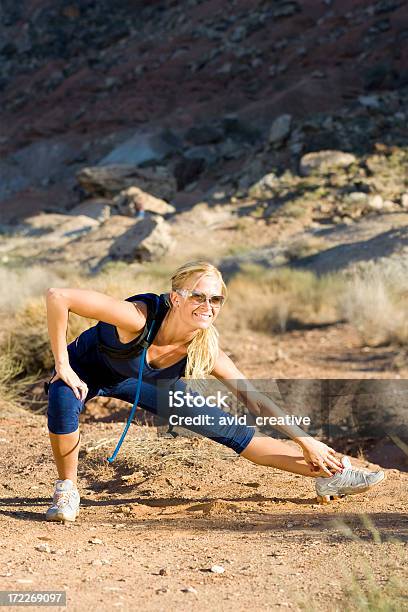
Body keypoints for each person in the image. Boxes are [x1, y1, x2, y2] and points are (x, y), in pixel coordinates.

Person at [44, 261, 384, 522]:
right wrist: (62, 364)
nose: (208, 305)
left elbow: (254, 398)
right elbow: (60, 297)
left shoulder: (204, 348)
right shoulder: (137, 318)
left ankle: (332, 476)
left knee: (238, 435)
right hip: (85, 369)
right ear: (176, 298)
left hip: (145, 381)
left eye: (216, 299)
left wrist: (305, 440)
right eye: (198, 296)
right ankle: (67, 490)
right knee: (63, 397)